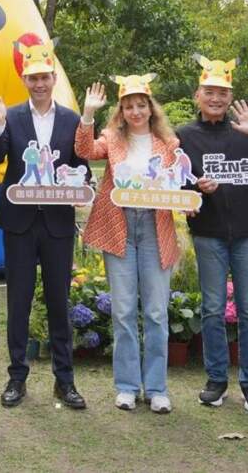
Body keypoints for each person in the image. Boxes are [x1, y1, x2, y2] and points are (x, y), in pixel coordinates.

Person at [176, 55, 248, 414]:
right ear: (197, 95)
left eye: (223, 93)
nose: (216, 98)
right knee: (211, 309)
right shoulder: (183, 135)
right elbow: (174, 179)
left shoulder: (247, 131)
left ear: (230, 97)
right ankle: (216, 380)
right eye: (209, 92)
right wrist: (193, 187)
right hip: (207, 232)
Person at [0, 39, 89, 409]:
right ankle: (16, 378)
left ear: (54, 77)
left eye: (44, 77)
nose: (39, 83)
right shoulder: (10, 116)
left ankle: (65, 381)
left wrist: (77, 182)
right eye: (32, 78)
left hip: (57, 223)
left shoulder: (72, 119)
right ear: (24, 80)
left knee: (60, 302)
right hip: (20, 223)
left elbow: (83, 164)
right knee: (19, 302)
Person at [74, 76, 180, 414]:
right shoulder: (111, 138)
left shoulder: (169, 143)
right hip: (119, 227)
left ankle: (157, 388)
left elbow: (179, 181)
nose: (135, 111)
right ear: (121, 110)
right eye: (129, 105)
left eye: (141, 104)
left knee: (155, 312)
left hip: (154, 226)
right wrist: (88, 114)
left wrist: (188, 197)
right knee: (122, 311)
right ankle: (127, 387)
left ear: (151, 108)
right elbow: (84, 150)